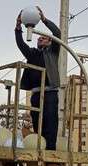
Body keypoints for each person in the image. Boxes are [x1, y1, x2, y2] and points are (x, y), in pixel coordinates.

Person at [15, 7, 61, 150]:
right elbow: (21, 44)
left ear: (49, 42)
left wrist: (44, 20)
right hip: (36, 94)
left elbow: (57, 33)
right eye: (39, 37)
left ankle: (50, 151)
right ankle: (39, 148)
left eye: (44, 37)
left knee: (50, 123)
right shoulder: (33, 54)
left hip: (50, 93)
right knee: (37, 122)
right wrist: (18, 27)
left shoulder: (53, 52)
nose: (40, 38)